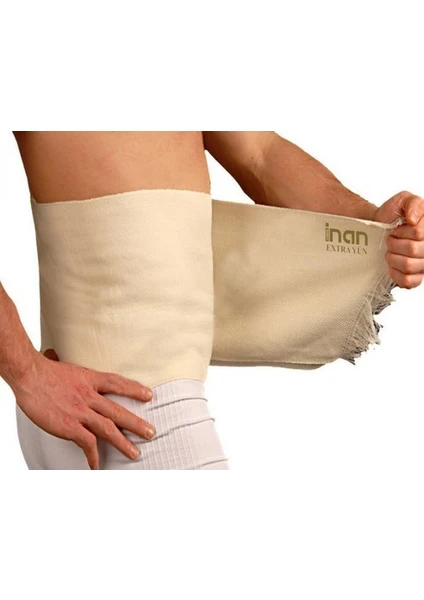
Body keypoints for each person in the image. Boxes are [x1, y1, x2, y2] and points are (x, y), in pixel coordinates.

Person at [1, 131, 423, 470]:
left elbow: (259, 153)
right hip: (131, 414)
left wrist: (374, 225)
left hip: (113, 409)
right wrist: (26, 372)